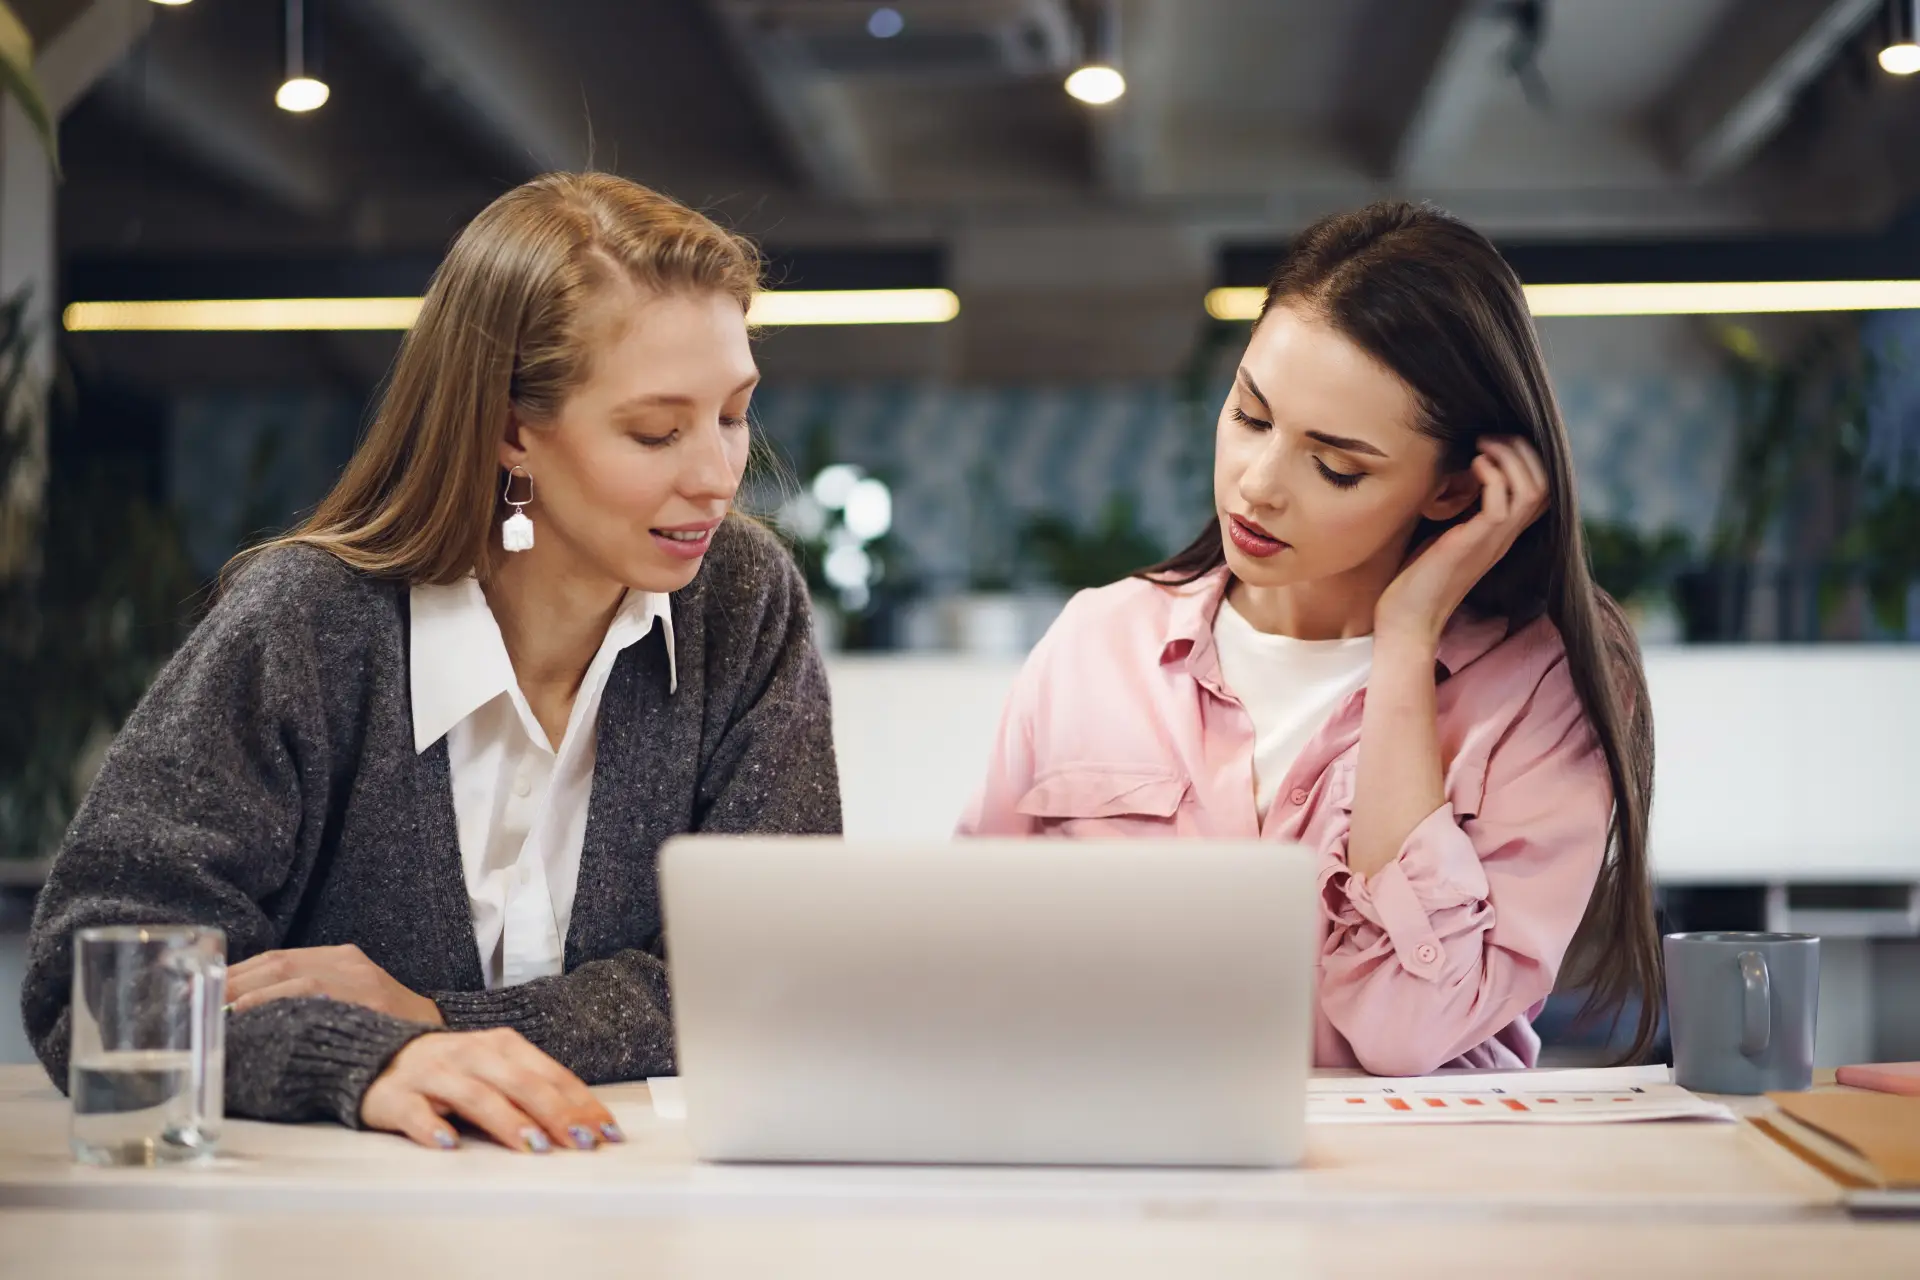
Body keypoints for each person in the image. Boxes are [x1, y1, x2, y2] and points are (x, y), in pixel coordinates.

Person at [23, 173, 841, 1151]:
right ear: (511, 431)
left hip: (641, 1218)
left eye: (735, 413)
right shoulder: (307, 623)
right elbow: (95, 984)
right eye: (656, 430)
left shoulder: (745, 603)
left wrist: (432, 1018)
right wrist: (361, 1055)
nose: (717, 476)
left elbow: (783, 979)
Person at [960, 201, 1659, 1075]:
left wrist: (1407, 639)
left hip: (1410, 1185)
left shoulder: (1534, 694)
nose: (1257, 485)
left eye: (1335, 467)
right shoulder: (1098, 643)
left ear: (1450, 491)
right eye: (1250, 417)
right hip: (1125, 1172)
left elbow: (1407, 1029)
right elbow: (972, 964)